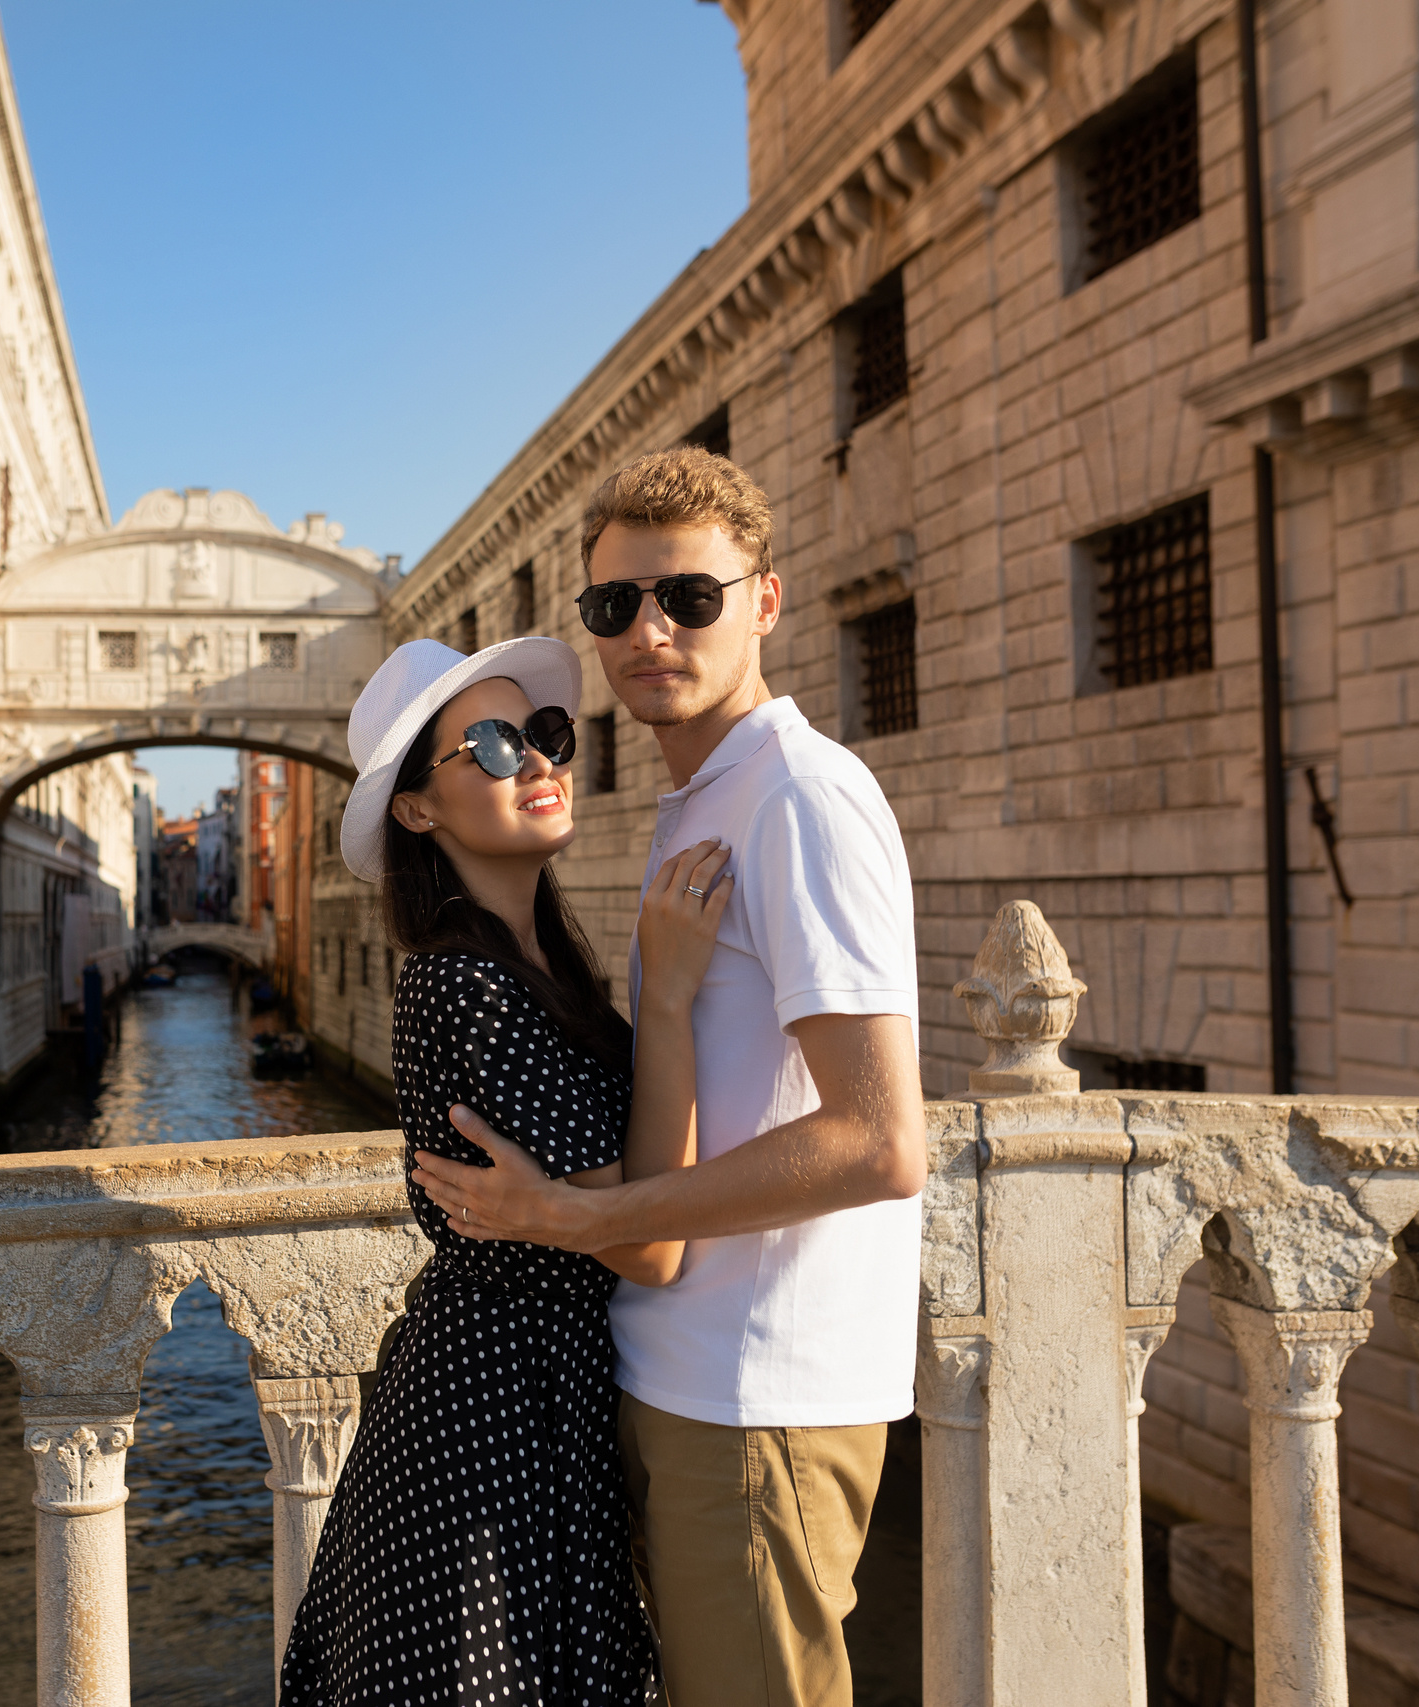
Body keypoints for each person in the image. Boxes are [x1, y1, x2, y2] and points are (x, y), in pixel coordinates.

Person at [412, 446, 928, 1707]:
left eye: (687, 598)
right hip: (680, 1380)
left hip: (758, 1395)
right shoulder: (696, 802)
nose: (649, 631)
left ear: (762, 600)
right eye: (614, 608)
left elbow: (878, 1141)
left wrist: (581, 1217)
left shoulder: (802, 797)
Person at [279, 632, 737, 1706]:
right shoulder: (464, 987)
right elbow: (650, 1244)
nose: (533, 761)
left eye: (540, 735)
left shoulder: (541, 971)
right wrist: (666, 1002)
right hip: (488, 1421)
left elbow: (624, 1200)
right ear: (416, 810)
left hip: (535, 1403)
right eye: (486, 745)